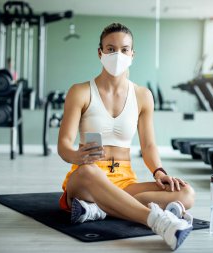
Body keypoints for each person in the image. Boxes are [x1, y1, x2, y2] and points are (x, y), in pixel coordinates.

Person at [57, 23, 195, 250]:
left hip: (124, 181)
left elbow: (149, 144)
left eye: (124, 49)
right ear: (100, 52)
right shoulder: (80, 91)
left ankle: (98, 209)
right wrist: (77, 156)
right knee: (90, 171)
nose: (117, 55)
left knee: (186, 193)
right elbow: (63, 146)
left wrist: (159, 171)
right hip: (86, 178)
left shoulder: (142, 95)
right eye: (110, 49)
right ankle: (157, 221)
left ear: (132, 54)